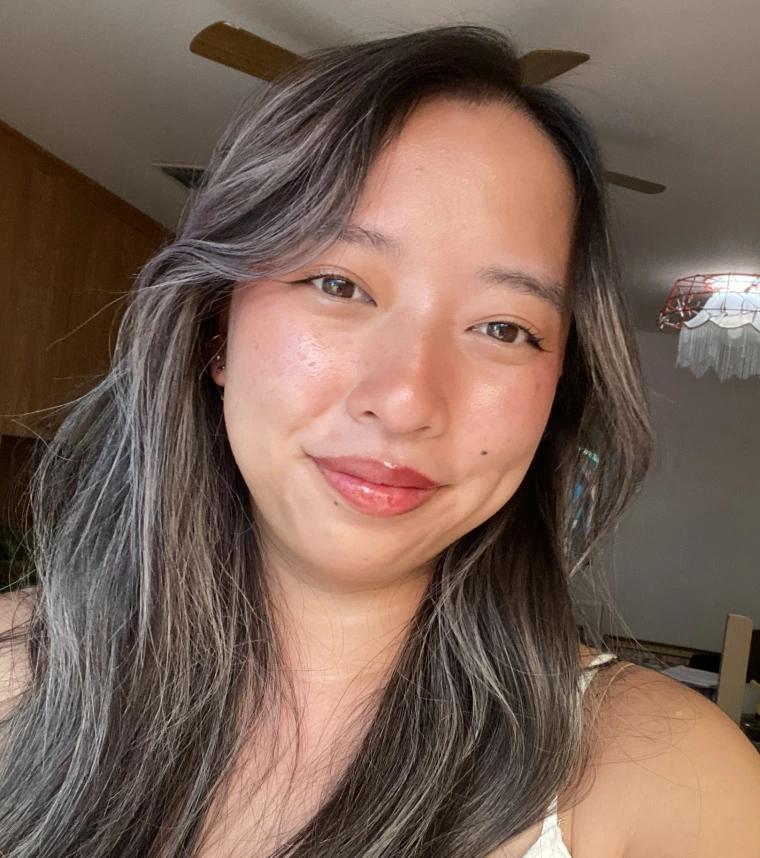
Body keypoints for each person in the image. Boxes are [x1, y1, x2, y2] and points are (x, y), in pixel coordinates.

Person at [1, 24, 758, 858]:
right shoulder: (13, 677)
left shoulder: (676, 780)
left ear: (556, 395)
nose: (405, 402)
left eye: (504, 328)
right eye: (339, 284)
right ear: (216, 332)